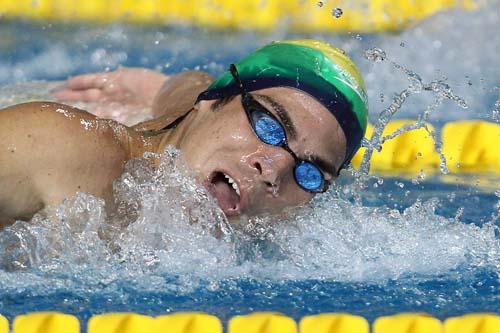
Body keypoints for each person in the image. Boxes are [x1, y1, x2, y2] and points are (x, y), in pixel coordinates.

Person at [0, 39, 368, 229]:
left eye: (310, 172)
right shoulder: (61, 149)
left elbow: (193, 91)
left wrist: (163, 89)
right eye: (269, 126)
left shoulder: (207, 120)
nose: (272, 171)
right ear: (210, 103)